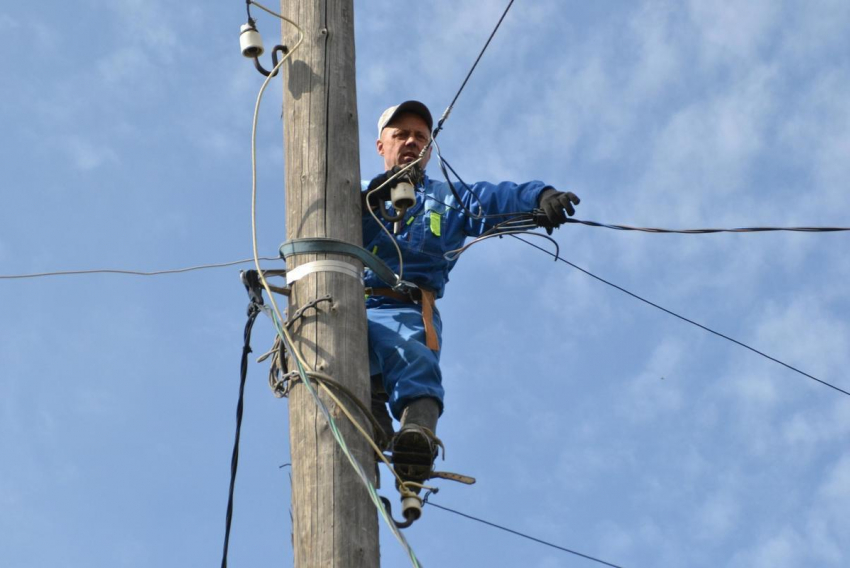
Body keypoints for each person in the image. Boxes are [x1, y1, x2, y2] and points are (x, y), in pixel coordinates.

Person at [362, 100, 579, 486]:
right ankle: (369, 422)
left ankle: (416, 437)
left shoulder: (446, 200)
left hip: (407, 308)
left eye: (420, 137)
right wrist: (370, 202)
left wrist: (539, 197)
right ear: (381, 145)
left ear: (430, 149)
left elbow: (492, 199)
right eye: (401, 135)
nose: (412, 142)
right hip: (350, 302)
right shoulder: (356, 193)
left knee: (414, 356)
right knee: (337, 354)